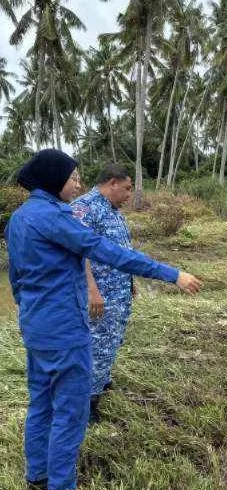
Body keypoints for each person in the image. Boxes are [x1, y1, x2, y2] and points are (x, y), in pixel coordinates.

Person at [5, 149, 202, 490]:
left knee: (41, 403)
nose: (78, 183)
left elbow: (16, 278)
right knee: (70, 408)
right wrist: (172, 274)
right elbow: (106, 251)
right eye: (73, 177)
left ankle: (37, 477)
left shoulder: (19, 219)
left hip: (36, 327)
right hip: (65, 329)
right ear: (53, 179)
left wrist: (31, 311)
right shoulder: (53, 218)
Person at [70, 164, 139, 423]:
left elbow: (122, 250)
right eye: (126, 189)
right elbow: (78, 252)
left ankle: (102, 383)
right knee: (96, 346)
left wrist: (129, 281)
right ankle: (87, 404)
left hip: (117, 293)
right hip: (99, 297)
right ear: (112, 183)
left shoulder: (114, 211)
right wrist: (91, 290)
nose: (128, 195)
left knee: (110, 342)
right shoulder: (84, 208)